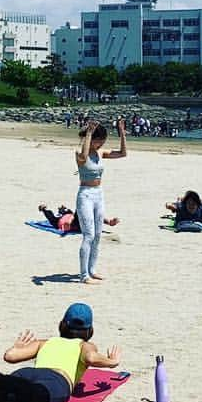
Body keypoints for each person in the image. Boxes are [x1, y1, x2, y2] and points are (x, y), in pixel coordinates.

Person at [74, 119, 127, 284]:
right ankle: (84, 276)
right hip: (85, 195)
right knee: (88, 235)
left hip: (99, 194)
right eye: (99, 141)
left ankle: (92, 270)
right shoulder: (79, 152)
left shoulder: (100, 153)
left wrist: (122, 132)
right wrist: (89, 133)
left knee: (97, 235)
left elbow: (122, 153)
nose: (100, 145)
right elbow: (83, 157)